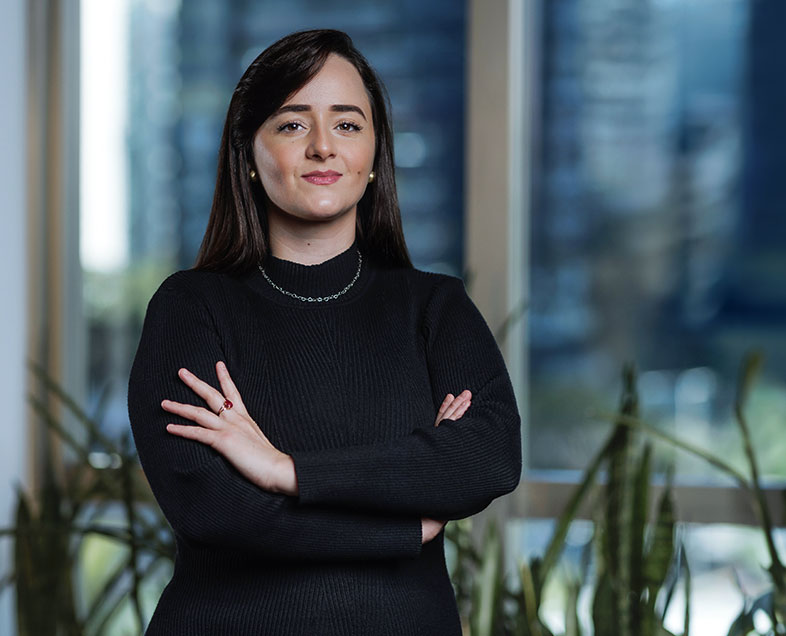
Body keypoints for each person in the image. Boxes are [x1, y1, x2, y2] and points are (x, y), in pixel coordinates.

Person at [127, 28, 522, 635]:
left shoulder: (434, 307)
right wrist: (404, 522)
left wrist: (286, 471)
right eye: (291, 125)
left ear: (373, 155)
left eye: (346, 124)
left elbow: (488, 460)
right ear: (249, 156)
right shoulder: (191, 307)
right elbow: (217, 509)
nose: (322, 148)